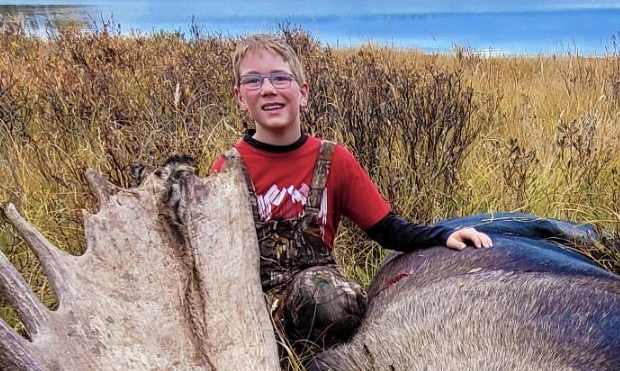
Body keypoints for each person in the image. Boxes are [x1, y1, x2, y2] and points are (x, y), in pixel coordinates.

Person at [209, 34, 491, 345]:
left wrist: (442, 236)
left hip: (320, 305)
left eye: (280, 78)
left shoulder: (334, 160)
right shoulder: (227, 171)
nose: (268, 89)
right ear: (240, 97)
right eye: (253, 80)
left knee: (323, 295)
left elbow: (388, 230)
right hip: (250, 312)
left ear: (303, 93)